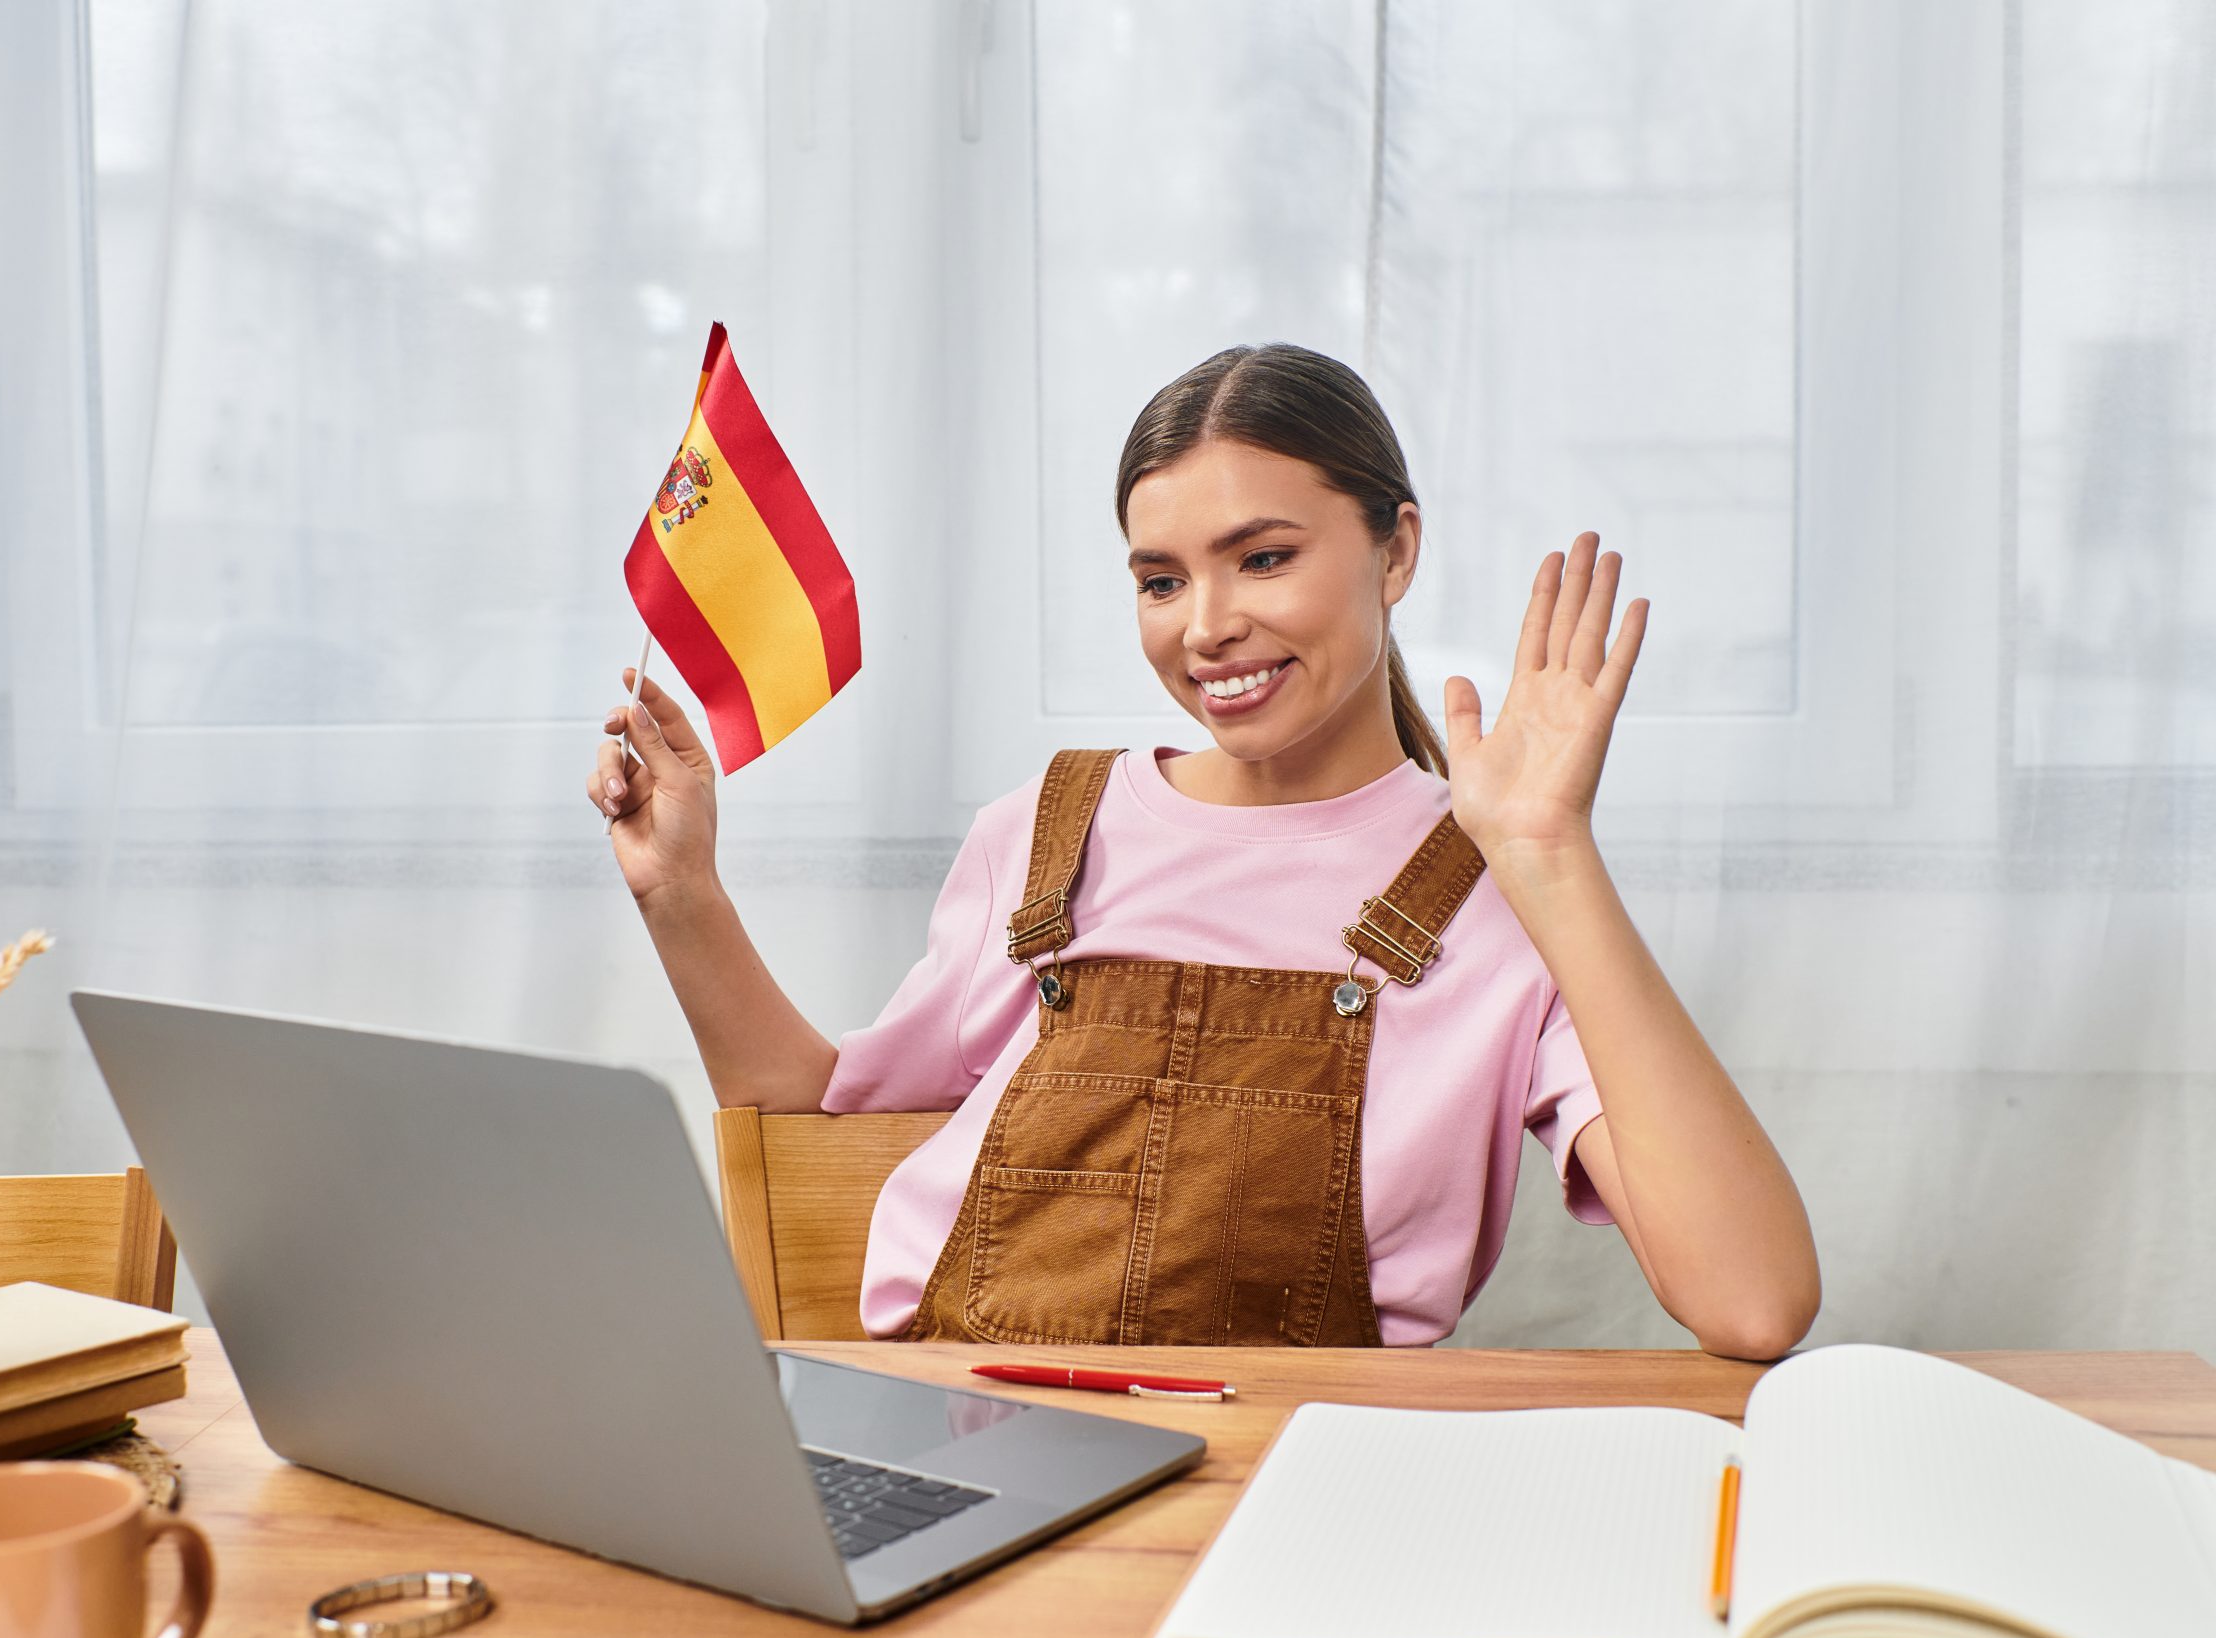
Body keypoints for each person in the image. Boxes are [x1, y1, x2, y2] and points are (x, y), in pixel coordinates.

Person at [588, 343, 1820, 1359]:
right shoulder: (1041, 832)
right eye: (1160, 580)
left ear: (1395, 551)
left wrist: (1549, 853)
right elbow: (819, 1114)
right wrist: (680, 893)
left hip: (1299, 1483)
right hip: (967, 1445)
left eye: (1265, 558)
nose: (1208, 628)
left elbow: (1753, 1303)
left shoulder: (1500, 890)